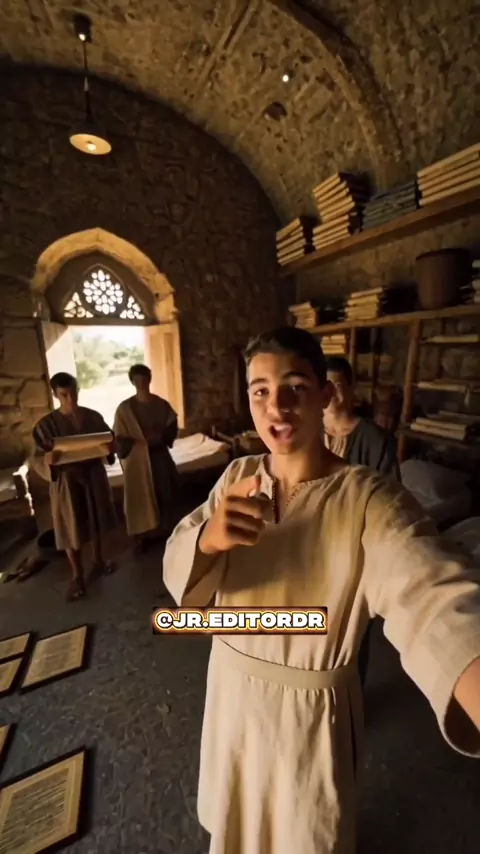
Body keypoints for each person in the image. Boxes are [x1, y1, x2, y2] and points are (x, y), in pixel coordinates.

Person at [163, 327, 480, 854]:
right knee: (237, 826)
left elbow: (432, 593)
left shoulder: (369, 499)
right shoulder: (238, 475)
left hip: (307, 719)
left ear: (325, 394)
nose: (277, 407)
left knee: (303, 832)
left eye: (295, 387)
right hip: (231, 696)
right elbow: (180, 557)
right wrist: (208, 540)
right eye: (260, 391)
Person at [324, 354, 400, 688]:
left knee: (353, 628)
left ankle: (352, 696)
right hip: (313, 547)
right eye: (327, 385)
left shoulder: (375, 440)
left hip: (356, 549)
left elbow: (389, 500)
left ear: (352, 389)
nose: (334, 393)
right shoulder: (306, 434)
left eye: (340, 385)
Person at [30, 372, 117, 601]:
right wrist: (46, 461)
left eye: (73, 393)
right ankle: (77, 574)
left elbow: (108, 440)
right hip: (66, 481)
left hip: (93, 475)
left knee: (95, 519)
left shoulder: (94, 417)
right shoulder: (46, 426)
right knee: (70, 526)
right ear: (55, 395)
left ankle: (98, 560)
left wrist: (110, 449)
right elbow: (37, 457)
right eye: (64, 395)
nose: (70, 399)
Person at [113, 364, 179, 553]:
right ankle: (143, 536)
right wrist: (138, 442)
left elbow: (172, 426)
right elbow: (119, 438)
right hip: (137, 461)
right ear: (132, 382)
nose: (141, 384)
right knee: (140, 499)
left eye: (144, 379)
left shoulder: (161, 404)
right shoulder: (124, 409)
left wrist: (161, 435)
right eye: (137, 380)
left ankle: (165, 532)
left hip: (159, 457)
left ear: (149, 380)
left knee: (163, 494)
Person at [323, 355, 400, 478]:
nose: (331, 393)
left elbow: (391, 487)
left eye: (337, 386)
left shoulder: (376, 440)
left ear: (351, 387)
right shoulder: (309, 432)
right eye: (325, 387)